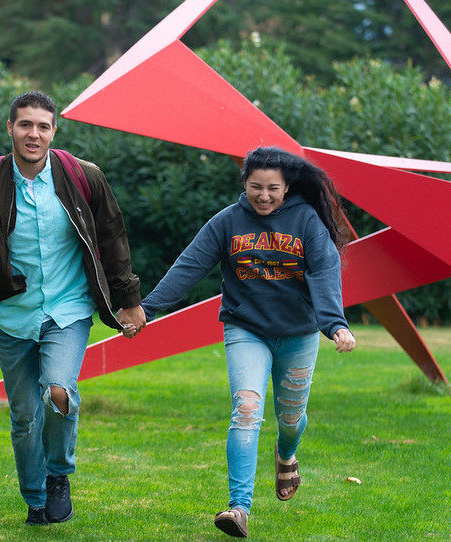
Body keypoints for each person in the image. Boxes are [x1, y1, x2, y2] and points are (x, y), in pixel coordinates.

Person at [134, 146, 356, 538]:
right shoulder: (228, 222)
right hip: (245, 329)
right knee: (247, 409)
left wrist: (335, 325)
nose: (264, 195)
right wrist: (147, 309)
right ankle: (239, 507)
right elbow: (189, 266)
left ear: (287, 188)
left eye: (273, 188)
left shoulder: (305, 220)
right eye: (256, 187)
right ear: (245, 184)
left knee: (290, 419)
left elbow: (324, 271)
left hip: (299, 333)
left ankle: (286, 455)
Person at [0, 90, 146, 526]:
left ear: (54, 130)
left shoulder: (82, 176)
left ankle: (59, 476)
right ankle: (35, 498)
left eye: (42, 126)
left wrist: (128, 299)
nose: (33, 134)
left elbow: (112, 237)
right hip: (12, 314)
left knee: (59, 392)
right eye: (24, 125)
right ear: (10, 128)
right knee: (23, 417)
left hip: (68, 309)